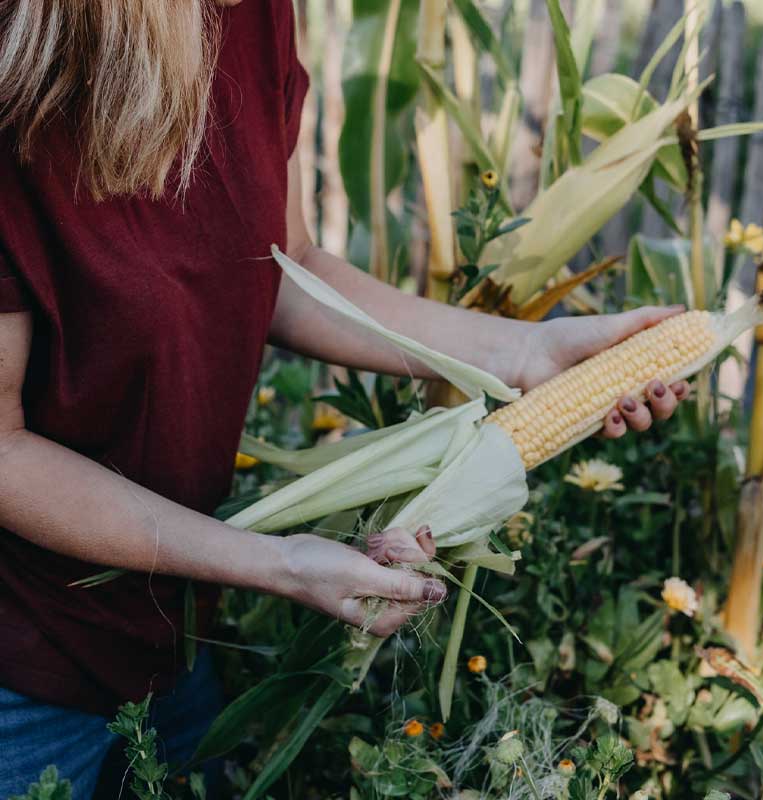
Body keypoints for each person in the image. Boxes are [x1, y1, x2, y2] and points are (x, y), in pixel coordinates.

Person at [0, 1, 689, 796]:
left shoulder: (252, 17)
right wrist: (278, 564)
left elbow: (287, 271)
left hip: (171, 626)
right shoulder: (23, 69)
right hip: (21, 664)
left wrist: (528, 351)